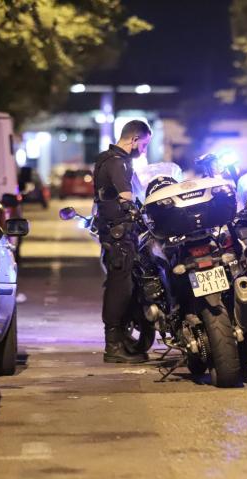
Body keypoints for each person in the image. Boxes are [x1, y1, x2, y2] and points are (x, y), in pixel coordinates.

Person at [93, 120, 152, 363]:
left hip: (114, 233)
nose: (144, 150)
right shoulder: (118, 162)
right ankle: (114, 345)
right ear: (134, 139)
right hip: (119, 235)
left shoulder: (105, 158)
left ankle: (123, 339)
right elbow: (128, 197)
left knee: (125, 284)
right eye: (144, 145)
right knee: (120, 287)